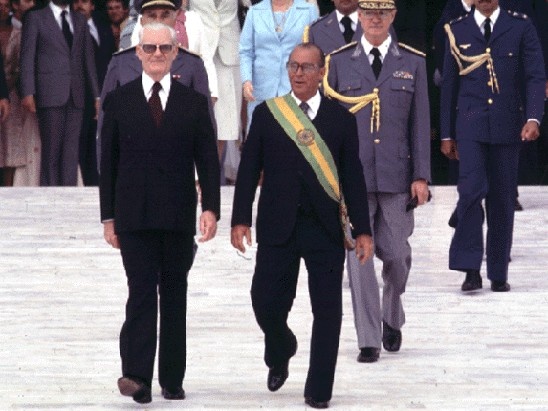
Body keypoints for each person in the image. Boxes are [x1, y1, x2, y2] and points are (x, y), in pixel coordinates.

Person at [231, 43, 373, 409]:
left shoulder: (341, 119)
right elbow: (249, 169)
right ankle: (281, 347)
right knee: (264, 301)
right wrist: (240, 218)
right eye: (293, 66)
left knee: (327, 310)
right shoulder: (268, 114)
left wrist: (363, 230)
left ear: (322, 72)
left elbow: (353, 176)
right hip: (277, 225)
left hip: (324, 228)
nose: (298, 73)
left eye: (307, 67)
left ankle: (319, 389)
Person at [100, 22, 220, 404]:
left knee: (173, 295)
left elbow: (208, 160)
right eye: (149, 48)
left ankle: (171, 378)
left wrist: (211, 208)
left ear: (175, 53)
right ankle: (137, 376)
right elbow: (108, 163)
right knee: (140, 294)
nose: (156, 54)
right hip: (133, 217)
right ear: (137, 52)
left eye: (164, 48)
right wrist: (108, 218)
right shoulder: (118, 101)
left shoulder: (193, 102)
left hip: (177, 217)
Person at [325, 0, 430, 363]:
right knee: (360, 257)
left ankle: (392, 312)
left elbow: (420, 123)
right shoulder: (338, 62)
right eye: (368, 12)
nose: (374, 19)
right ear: (359, 16)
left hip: (396, 175)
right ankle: (368, 339)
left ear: (392, 16)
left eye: (381, 13)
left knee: (397, 254)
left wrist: (421, 175)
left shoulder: (412, 62)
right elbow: (329, 125)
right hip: (352, 177)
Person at [440, 0, 545, 292]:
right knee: (471, 191)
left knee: (502, 199)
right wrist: (446, 134)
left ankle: (498, 272)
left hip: (507, 124)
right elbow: (449, 84)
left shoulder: (520, 26)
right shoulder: (457, 29)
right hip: (469, 126)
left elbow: (534, 75)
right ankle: (470, 268)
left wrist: (534, 117)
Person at [97, 0, 214, 167]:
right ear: (142, 21)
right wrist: (106, 175)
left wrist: (204, 176)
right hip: (131, 170)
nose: (159, 22)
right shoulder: (121, 63)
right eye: (152, 16)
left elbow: (206, 132)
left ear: (175, 19)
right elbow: (105, 130)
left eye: (165, 15)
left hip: (178, 171)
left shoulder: (192, 64)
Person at [20, 0, 99, 186]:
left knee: (71, 152)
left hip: (76, 94)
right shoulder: (36, 18)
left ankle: (68, 197)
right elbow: (27, 57)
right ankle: (50, 196)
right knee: (51, 151)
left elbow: (88, 60)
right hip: (49, 93)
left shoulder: (80, 20)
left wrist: (97, 95)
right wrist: (28, 91)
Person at [239, 0, 318, 130]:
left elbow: (316, 51)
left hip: (297, 89)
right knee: (260, 138)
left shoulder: (308, 10)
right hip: (261, 91)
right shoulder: (254, 11)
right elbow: (245, 52)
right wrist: (246, 81)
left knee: (297, 137)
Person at [190, 0, 242, 182]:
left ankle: (209, 181)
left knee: (224, 125)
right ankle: (194, 180)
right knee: (195, 122)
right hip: (198, 50)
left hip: (228, 52)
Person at [73, 0, 116, 186]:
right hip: (79, 95)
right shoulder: (70, 28)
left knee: (100, 141)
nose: (79, 6)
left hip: (104, 93)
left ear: (92, 5)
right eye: (75, 2)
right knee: (81, 142)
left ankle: (98, 183)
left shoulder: (104, 27)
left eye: (84, 1)